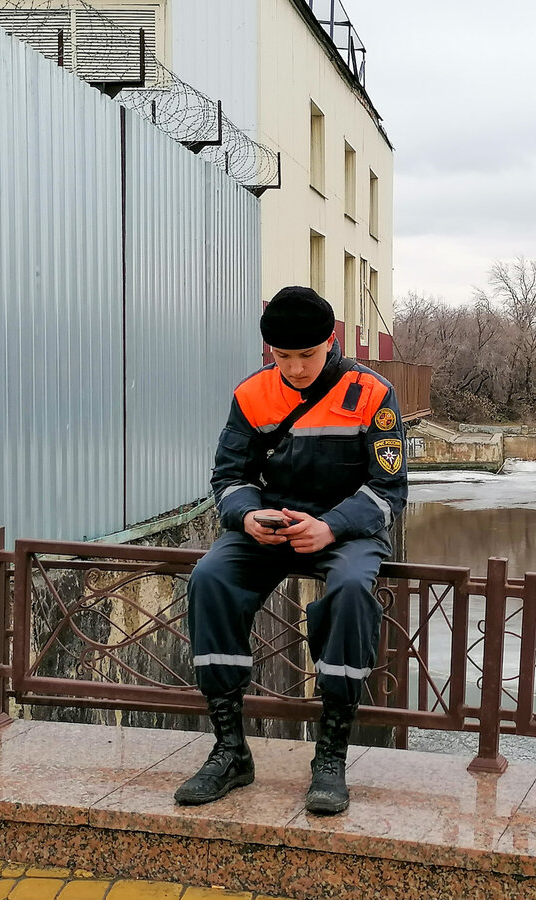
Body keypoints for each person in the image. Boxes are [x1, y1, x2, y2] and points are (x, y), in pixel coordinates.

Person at [174, 285, 407, 815]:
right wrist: (247, 515)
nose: (296, 368)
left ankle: (330, 756)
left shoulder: (372, 393)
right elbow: (229, 477)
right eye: (283, 357)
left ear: (331, 342)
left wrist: (330, 527)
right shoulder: (252, 394)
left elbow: (390, 490)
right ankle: (230, 750)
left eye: (307, 355)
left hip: (346, 532)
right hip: (271, 526)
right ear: (269, 351)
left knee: (350, 591)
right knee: (210, 577)